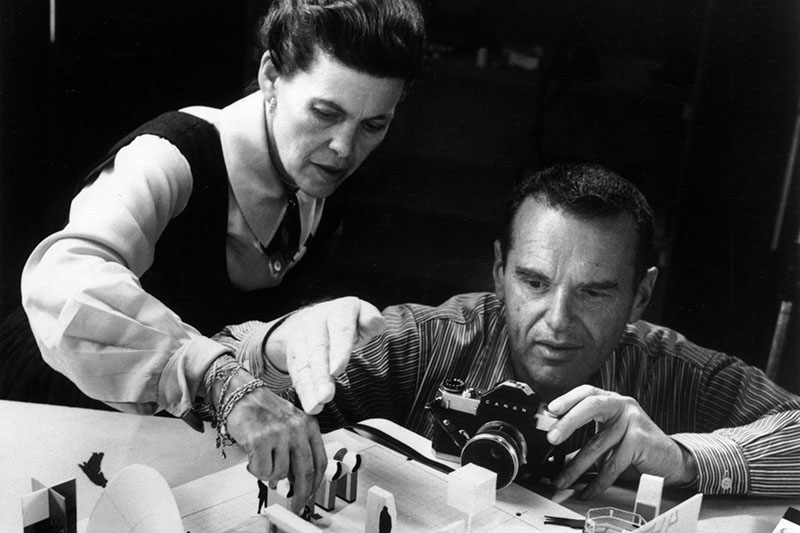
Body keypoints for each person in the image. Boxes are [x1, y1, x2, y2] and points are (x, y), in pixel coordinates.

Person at [2, 0, 425, 514]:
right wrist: (220, 378)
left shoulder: (317, 175)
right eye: (324, 113)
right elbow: (61, 280)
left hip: (173, 439)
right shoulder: (170, 157)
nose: (343, 148)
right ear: (271, 77)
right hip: (59, 409)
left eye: (373, 125)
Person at [218, 163, 800, 500]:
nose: (557, 319)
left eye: (595, 292)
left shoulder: (672, 369)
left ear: (641, 296)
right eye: (534, 282)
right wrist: (277, 347)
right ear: (499, 271)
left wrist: (685, 457)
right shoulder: (429, 340)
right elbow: (216, 362)